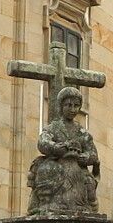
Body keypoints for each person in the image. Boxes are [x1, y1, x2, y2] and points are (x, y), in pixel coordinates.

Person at [27, 86, 100, 214]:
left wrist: (85, 157)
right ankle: (45, 204)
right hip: (56, 164)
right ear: (61, 106)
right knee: (48, 170)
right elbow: (42, 142)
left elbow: (93, 153)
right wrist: (56, 148)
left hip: (77, 166)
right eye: (69, 105)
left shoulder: (82, 133)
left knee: (88, 181)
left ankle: (87, 207)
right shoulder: (53, 128)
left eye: (76, 106)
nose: (73, 109)